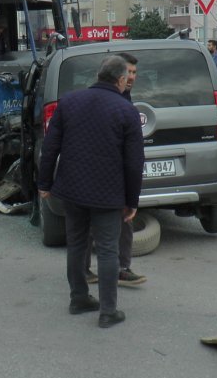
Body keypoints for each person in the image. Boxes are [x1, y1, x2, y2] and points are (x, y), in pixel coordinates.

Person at [38, 55, 144, 329]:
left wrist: (44, 183)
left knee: (76, 244)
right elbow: (134, 162)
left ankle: (79, 298)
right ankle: (108, 311)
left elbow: (50, 147)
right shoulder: (126, 111)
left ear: (99, 75)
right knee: (108, 250)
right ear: (121, 80)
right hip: (108, 194)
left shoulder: (69, 102)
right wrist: (132, 201)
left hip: (71, 190)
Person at [84, 52, 146, 287]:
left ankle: (122, 268)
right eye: (127, 72)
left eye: (134, 73)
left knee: (125, 221)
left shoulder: (127, 98)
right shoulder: (100, 97)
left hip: (118, 173)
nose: (130, 77)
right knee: (92, 222)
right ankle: (85, 270)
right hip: (97, 171)